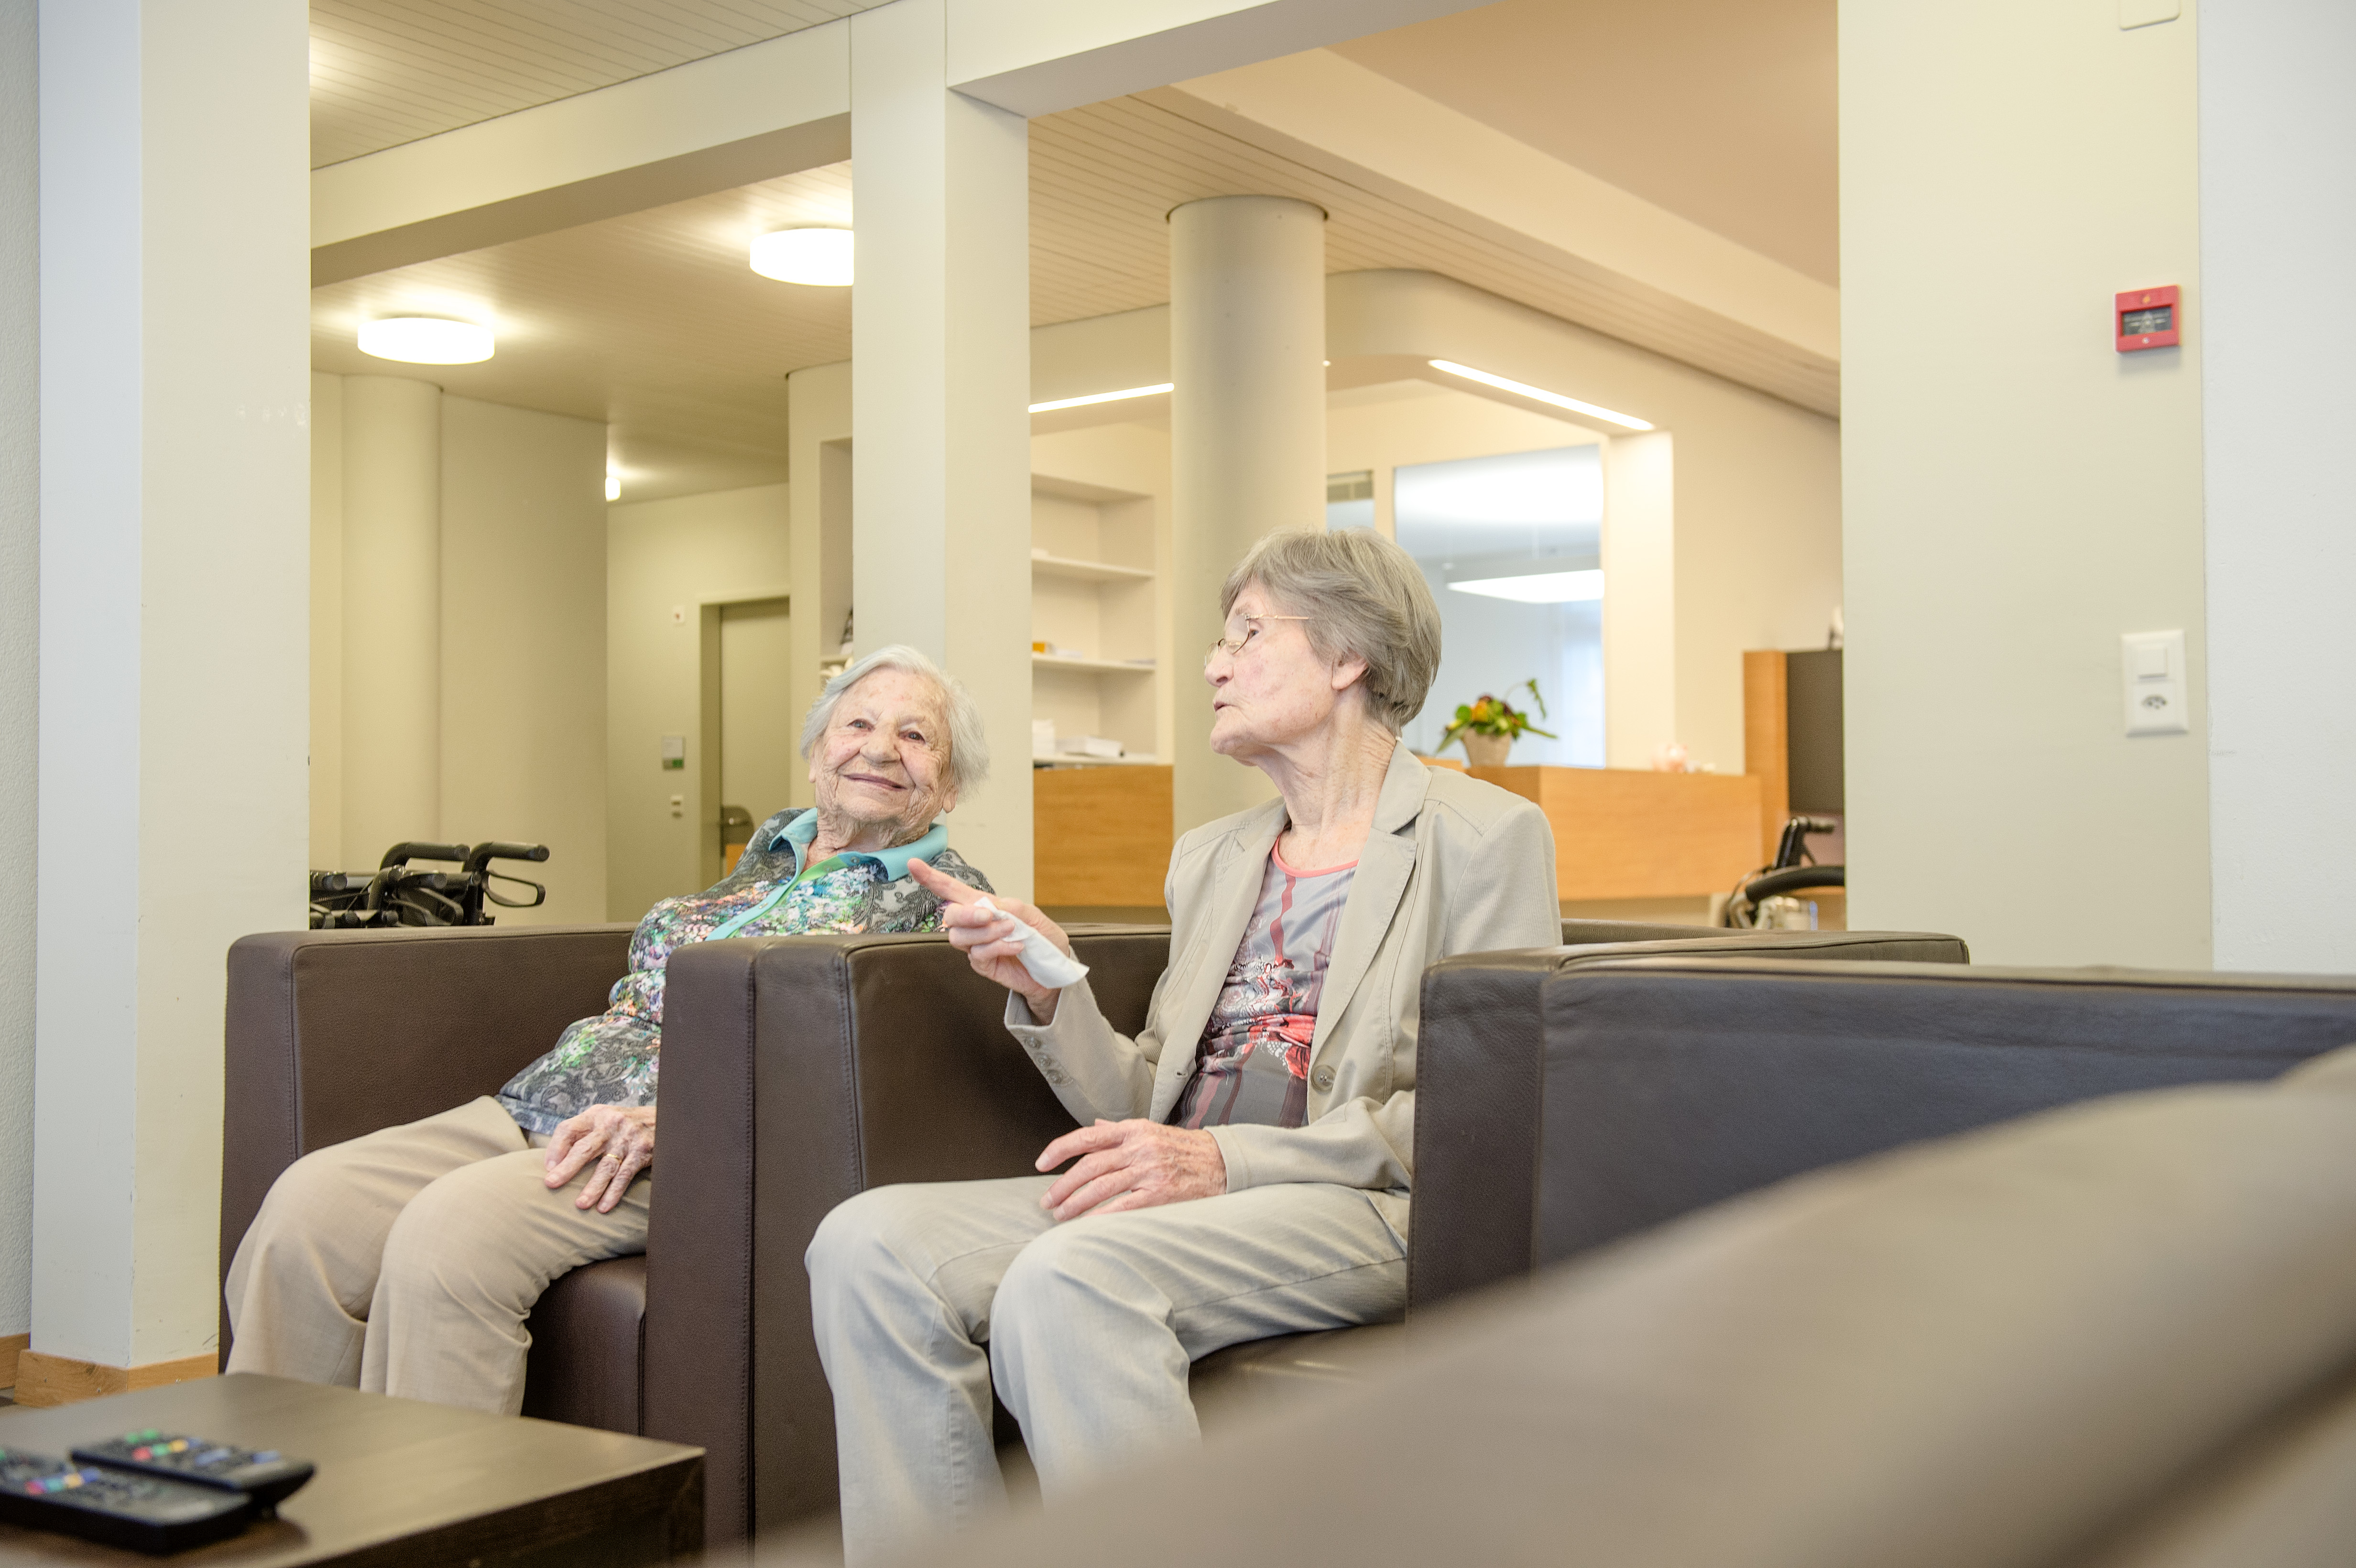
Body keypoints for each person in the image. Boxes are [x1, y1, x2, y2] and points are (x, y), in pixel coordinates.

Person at [808, 529, 1561, 1562]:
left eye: (1246, 634)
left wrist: (1223, 1161)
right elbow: (1146, 1100)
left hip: (1363, 1201)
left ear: (1348, 656)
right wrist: (1049, 986)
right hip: (1186, 1193)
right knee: (867, 1245)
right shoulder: (1214, 856)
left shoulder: (1483, 837)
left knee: (1071, 1277)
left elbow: (1492, 1109)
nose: (1213, 665)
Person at [225, 645, 993, 1414]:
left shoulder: (946, 906)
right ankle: (269, 1474)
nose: (880, 748)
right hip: (539, 1102)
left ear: (950, 784)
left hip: (680, 1145)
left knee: (446, 1237)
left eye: (915, 736)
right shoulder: (768, 856)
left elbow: (887, 1081)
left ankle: (433, 1494)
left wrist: (685, 1120)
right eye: (857, 724)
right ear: (819, 750)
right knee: (307, 1213)